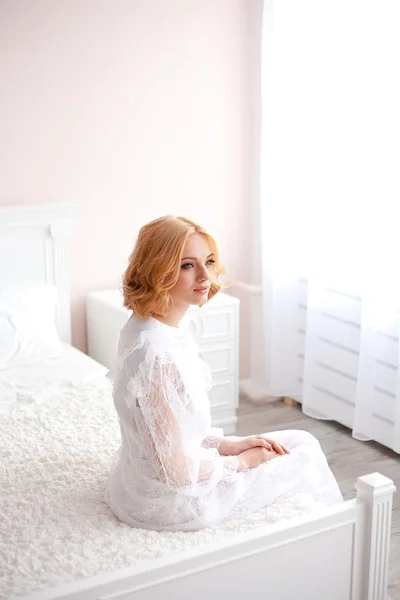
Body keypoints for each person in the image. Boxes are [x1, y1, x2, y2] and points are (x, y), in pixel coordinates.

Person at [104, 215, 343, 531]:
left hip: (138, 485)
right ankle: (329, 540)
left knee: (294, 441)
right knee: (305, 451)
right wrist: (243, 462)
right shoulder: (157, 355)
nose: (205, 275)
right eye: (187, 265)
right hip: (171, 504)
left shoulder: (147, 327)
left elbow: (167, 433)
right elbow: (174, 471)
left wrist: (226, 444)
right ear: (157, 270)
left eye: (209, 261)